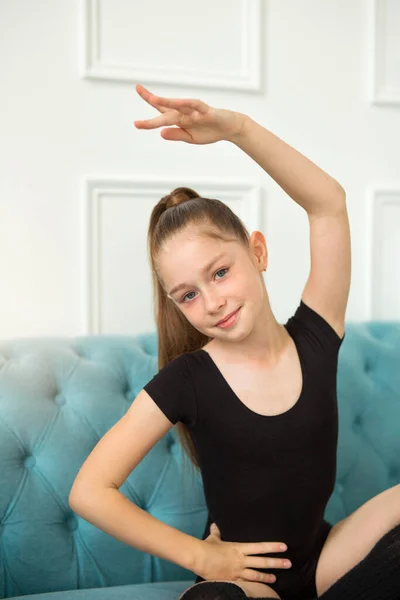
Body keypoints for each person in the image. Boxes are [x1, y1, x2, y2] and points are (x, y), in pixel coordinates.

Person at [69, 84, 400, 600]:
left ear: (258, 252)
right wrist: (202, 557)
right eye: (188, 295)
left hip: (325, 559)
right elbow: (89, 490)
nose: (213, 302)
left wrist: (238, 130)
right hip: (245, 583)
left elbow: (329, 205)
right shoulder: (188, 380)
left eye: (220, 272)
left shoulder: (316, 335)